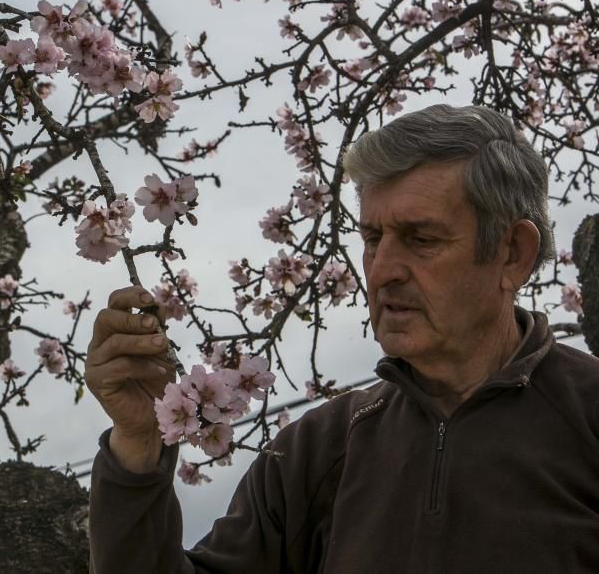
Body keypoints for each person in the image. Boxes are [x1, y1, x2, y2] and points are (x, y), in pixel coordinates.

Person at [85, 104, 599, 573]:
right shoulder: (316, 450)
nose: (383, 271)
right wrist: (136, 448)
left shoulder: (587, 416)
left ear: (513, 253)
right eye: (373, 239)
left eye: (422, 239)